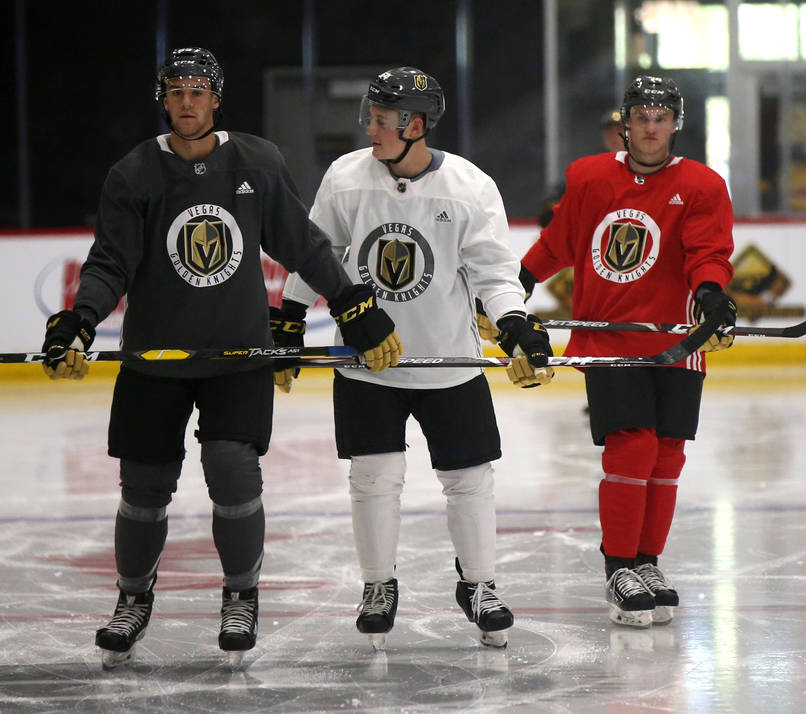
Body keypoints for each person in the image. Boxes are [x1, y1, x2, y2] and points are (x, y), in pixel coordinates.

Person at [39, 47, 401, 668]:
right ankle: (132, 598)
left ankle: (241, 593)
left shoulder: (257, 162)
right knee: (144, 489)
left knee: (232, 472)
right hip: (155, 361)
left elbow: (301, 243)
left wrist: (351, 302)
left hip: (238, 358)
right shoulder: (133, 174)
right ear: (164, 100)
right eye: (176, 91)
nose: (187, 102)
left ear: (216, 99)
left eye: (197, 91)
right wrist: (79, 319)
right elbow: (109, 263)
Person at [273, 67, 555, 650]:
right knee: (373, 478)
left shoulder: (470, 187)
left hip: (449, 363)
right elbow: (313, 253)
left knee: (469, 479)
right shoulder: (346, 178)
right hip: (367, 362)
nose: (368, 129)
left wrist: (516, 324)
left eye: (380, 120)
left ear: (415, 125)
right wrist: (290, 318)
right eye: (369, 117)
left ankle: (479, 585)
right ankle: (379, 585)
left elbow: (494, 274)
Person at [518, 75, 736, 628]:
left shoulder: (704, 184)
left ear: (676, 123)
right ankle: (619, 567)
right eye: (641, 116)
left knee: (667, 455)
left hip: (677, 341)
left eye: (661, 117)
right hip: (611, 337)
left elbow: (707, 252)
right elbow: (560, 242)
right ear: (625, 122)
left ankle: (647, 562)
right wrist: (516, 281)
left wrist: (711, 294)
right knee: (632, 447)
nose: (651, 127)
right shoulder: (590, 177)